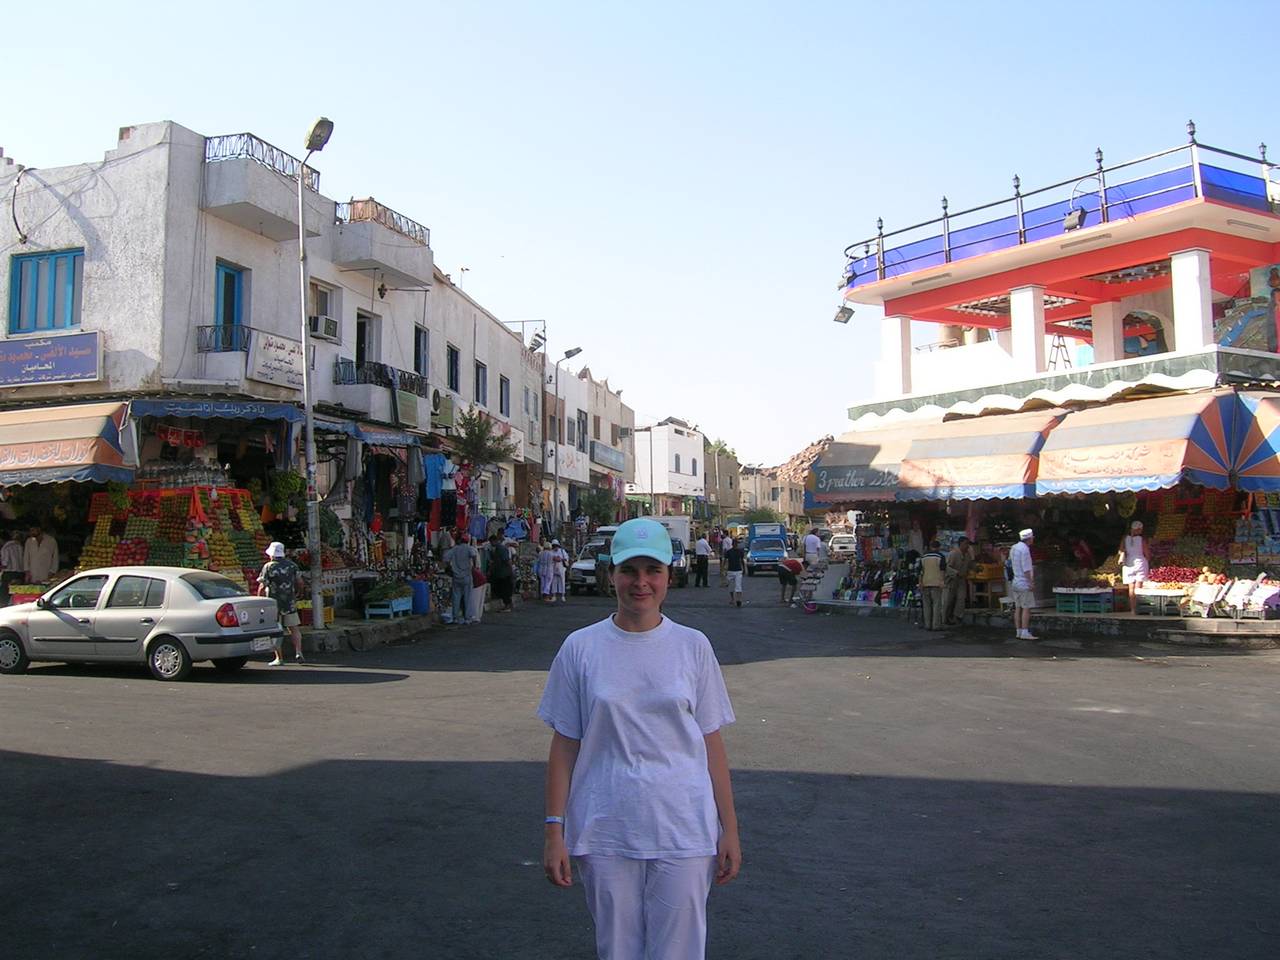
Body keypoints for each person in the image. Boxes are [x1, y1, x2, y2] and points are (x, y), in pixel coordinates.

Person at [539, 518, 740, 960]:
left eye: (653, 570)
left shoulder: (693, 646)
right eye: (629, 570)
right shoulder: (581, 648)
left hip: (685, 828)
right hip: (606, 828)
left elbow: (711, 743)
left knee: (679, 952)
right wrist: (555, 829)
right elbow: (565, 746)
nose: (641, 582)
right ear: (611, 573)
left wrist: (730, 829)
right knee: (617, 951)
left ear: (670, 575)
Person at [258, 542, 304, 664]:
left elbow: (262, 586)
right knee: (294, 628)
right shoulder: (292, 566)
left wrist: (259, 599)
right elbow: (300, 582)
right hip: (289, 602)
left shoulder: (268, 567)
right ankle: (298, 652)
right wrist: (299, 593)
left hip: (273, 604)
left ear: (271, 555)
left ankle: (279, 658)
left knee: (276, 630)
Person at [443, 533, 480, 624]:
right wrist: (474, 566)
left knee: (456, 597)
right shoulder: (469, 548)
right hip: (467, 576)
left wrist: (449, 568)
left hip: (456, 576)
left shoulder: (454, 549)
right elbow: (474, 555)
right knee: (467, 597)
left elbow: (445, 558)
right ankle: (467, 618)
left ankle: (455, 618)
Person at [1010, 528, 1037, 640]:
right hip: (1023, 582)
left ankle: (1018, 631)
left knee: (1018, 607)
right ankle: (1025, 632)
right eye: (1032, 538)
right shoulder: (1025, 550)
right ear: (1029, 539)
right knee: (1026, 607)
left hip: (1015, 581)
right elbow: (1026, 569)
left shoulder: (1014, 547)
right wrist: (1030, 583)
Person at [1118, 520, 1149, 614]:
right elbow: (1146, 552)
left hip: (1128, 564)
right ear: (1139, 529)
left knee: (1131, 588)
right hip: (1140, 563)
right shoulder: (1142, 539)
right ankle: (1139, 608)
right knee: (1138, 587)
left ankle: (1133, 609)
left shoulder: (1125, 538)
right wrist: (1148, 560)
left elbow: (1120, 551)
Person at [917, 539, 947, 631]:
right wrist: (942, 581)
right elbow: (942, 570)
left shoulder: (923, 557)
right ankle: (936, 625)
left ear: (930, 547)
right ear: (938, 547)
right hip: (936, 583)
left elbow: (920, 571)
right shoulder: (940, 556)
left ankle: (927, 624)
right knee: (936, 605)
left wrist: (920, 583)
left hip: (925, 582)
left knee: (926, 605)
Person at [944, 537, 973, 626]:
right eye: (965, 544)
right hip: (952, 579)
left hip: (961, 579)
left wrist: (975, 567)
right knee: (949, 599)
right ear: (960, 544)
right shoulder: (953, 554)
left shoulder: (967, 555)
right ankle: (946, 617)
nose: (967, 546)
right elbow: (947, 567)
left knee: (961, 598)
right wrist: (956, 573)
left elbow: (970, 565)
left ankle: (958, 616)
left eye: (968, 544)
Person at [487, 534, 514, 612]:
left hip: (504, 573)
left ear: (494, 541)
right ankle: (508, 604)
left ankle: (507, 605)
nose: (491, 544)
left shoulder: (501, 549)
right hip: (502, 572)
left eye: (491, 542)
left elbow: (507, 560)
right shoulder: (498, 549)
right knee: (504, 589)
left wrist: (511, 571)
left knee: (504, 589)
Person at [1, 530, 24, 605]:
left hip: (9, 574)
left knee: (5, 597)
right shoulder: (20, 546)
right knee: (17, 595)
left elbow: (5, 563)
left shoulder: (6, 547)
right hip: (20, 574)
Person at [723, 538, 746, 607]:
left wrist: (723, 568)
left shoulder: (729, 551)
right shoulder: (740, 551)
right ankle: (738, 599)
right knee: (738, 586)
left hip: (731, 570)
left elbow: (725, 560)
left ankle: (733, 599)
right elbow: (742, 561)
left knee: (731, 586)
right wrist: (744, 569)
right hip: (737, 570)